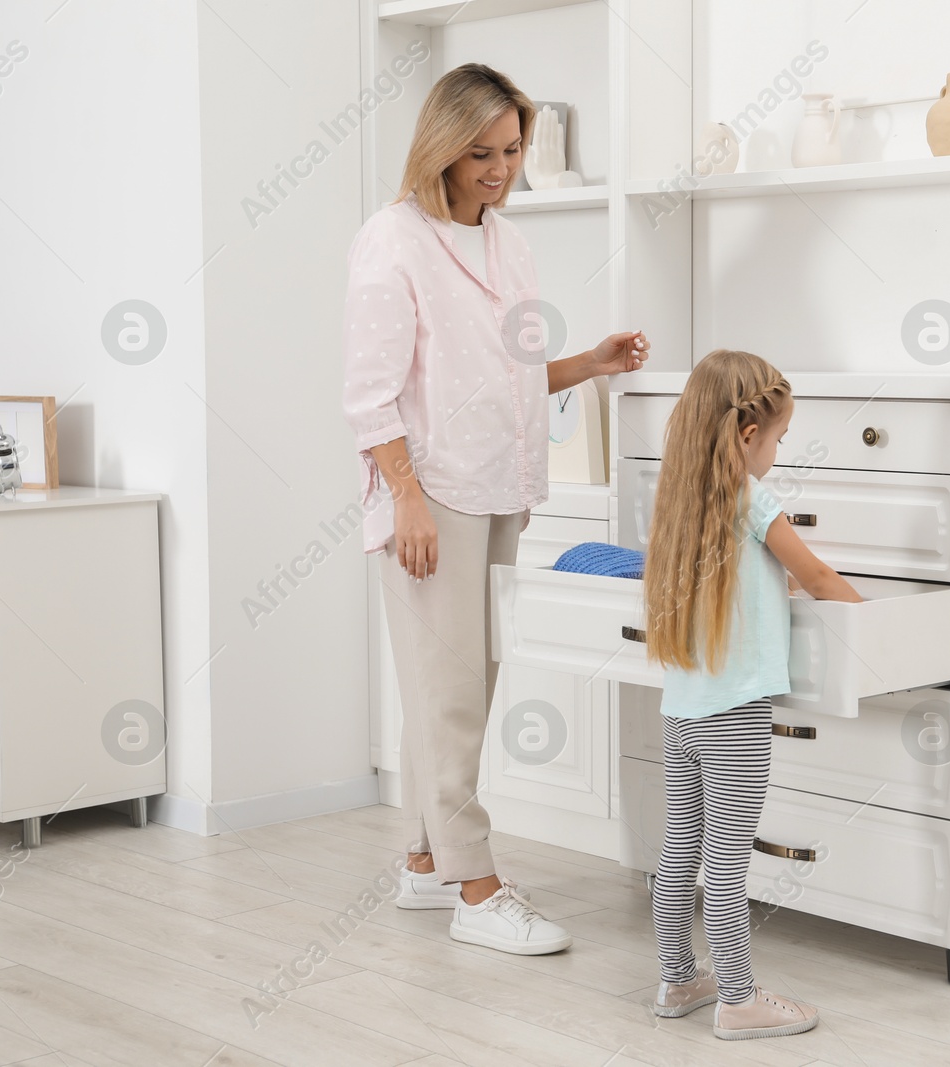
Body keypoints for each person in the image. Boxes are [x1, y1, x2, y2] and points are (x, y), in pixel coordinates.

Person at [341, 62, 649, 955]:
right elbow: (369, 395)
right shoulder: (391, 242)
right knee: (451, 697)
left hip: (501, 485)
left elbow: (507, 374)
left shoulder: (509, 244)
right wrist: (407, 498)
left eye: (512, 149)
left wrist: (586, 362)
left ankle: (423, 863)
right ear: (441, 145)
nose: (498, 168)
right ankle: (477, 887)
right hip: (431, 492)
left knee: (460, 685)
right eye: (480, 151)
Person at [641, 349, 862, 1040]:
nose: (776, 450)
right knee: (730, 865)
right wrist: (875, 621)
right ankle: (738, 998)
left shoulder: (681, 499)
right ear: (746, 435)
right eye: (777, 438)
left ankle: (679, 977)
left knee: (680, 850)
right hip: (735, 717)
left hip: (681, 710)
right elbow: (818, 575)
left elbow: (748, 584)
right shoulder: (751, 499)